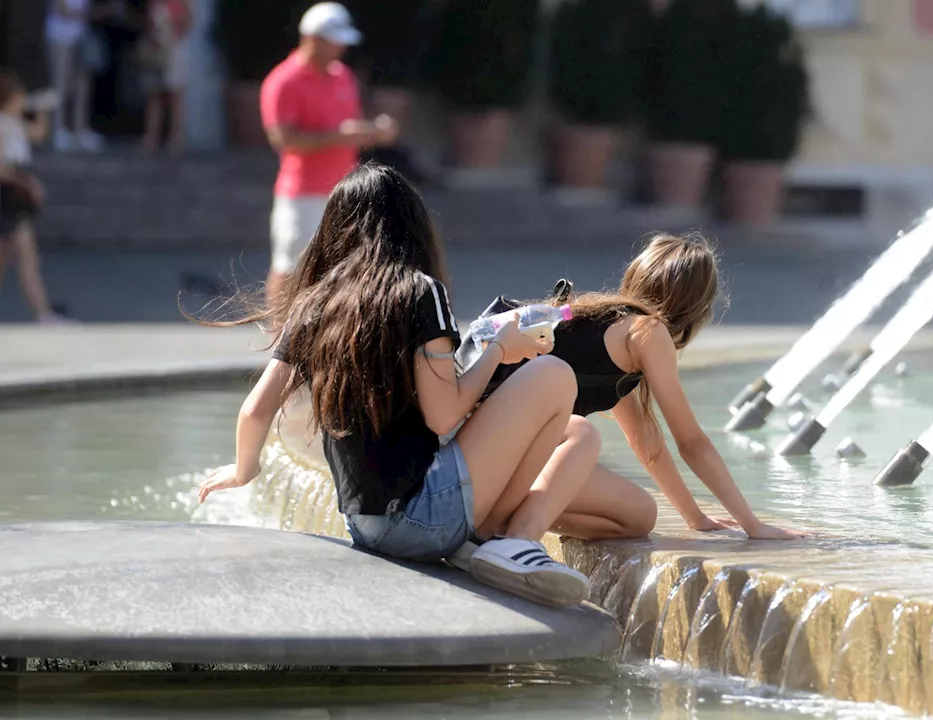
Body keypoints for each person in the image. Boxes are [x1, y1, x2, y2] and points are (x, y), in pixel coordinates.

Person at [193, 163, 600, 608]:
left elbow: (255, 409)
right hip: (424, 519)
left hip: (364, 525)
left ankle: (489, 541)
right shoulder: (420, 291)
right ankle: (506, 541)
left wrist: (243, 469)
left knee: (580, 433)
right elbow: (444, 414)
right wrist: (498, 350)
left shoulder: (315, 302)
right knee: (554, 376)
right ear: (412, 226)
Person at [483, 233, 806, 542]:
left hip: (489, 445)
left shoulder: (609, 324)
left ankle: (501, 523)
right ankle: (512, 536)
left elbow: (644, 440)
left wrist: (695, 517)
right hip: (501, 453)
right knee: (638, 511)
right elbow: (692, 443)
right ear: (697, 306)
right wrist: (754, 525)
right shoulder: (647, 331)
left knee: (637, 518)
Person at [260, 2, 398, 311]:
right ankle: (278, 340)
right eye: (335, 40)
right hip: (302, 193)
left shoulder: (342, 76)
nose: (342, 47)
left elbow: (350, 126)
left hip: (344, 191)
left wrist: (375, 131)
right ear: (312, 38)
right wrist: (341, 135)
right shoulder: (283, 80)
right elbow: (283, 139)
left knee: (340, 266)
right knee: (289, 266)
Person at [0, 71, 70, 323]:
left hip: (15, 197)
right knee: (28, 258)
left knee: (4, 258)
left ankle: (44, 312)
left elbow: (39, 133)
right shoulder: (2, 126)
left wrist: (41, 108)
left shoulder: (14, 123)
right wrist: (29, 183)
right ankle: (44, 314)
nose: (22, 101)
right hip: (8, 197)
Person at [44, 0, 105, 152]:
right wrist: (98, 13)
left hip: (80, 38)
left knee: (82, 86)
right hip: (60, 38)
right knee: (60, 85)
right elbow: (64, 11)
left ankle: (80, 130)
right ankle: (57, 130)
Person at [137, 0, 191, 154]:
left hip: (174, 46)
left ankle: (176, 137)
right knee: (154, 94)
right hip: (155, 47)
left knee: (175, 94)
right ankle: (151, 135)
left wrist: (173, 35)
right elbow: (147, 19)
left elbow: (188, 19)